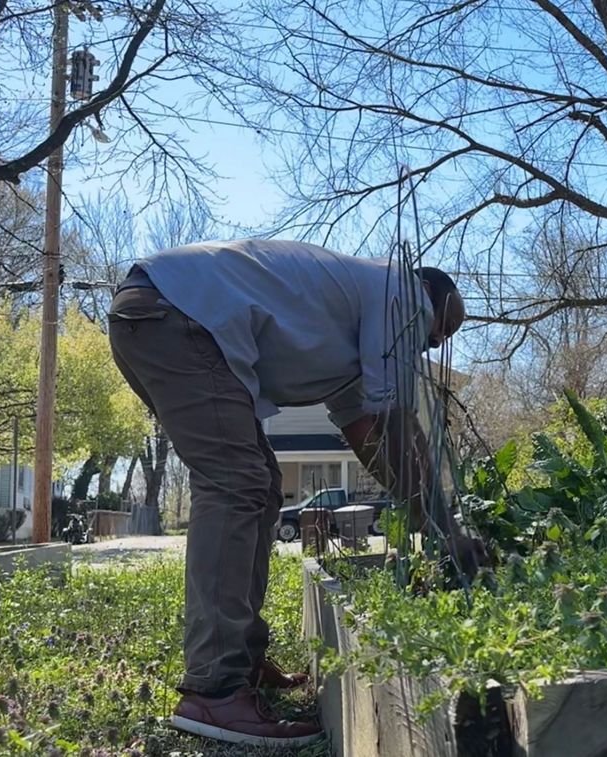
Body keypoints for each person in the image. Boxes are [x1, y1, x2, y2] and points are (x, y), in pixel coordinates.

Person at [107, 239, 480, 748]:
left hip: (161, 312)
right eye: (438, 334)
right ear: (431, 298)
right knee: (237, 484)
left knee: (258, 486)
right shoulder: (403, 294)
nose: (429, 347)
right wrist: (444, 527)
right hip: (178, 316)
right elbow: (396, 425)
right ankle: (215, 689)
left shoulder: (358, 322)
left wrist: (428, 517)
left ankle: (241, 658)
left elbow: (365, 431)